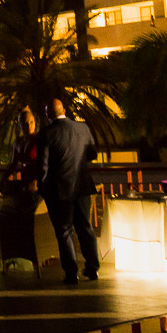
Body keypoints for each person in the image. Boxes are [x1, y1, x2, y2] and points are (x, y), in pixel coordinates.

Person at [38, 99, 100, 284]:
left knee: (65, 231)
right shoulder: (83, 128)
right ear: (64, 109)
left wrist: (43, 189)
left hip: (60, 191)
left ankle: (71, 272)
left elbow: (43, 167)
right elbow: (92, 154)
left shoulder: (46, 134)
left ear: (48, 114)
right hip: (82, 187)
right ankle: (93, 268)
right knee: (86, 228)